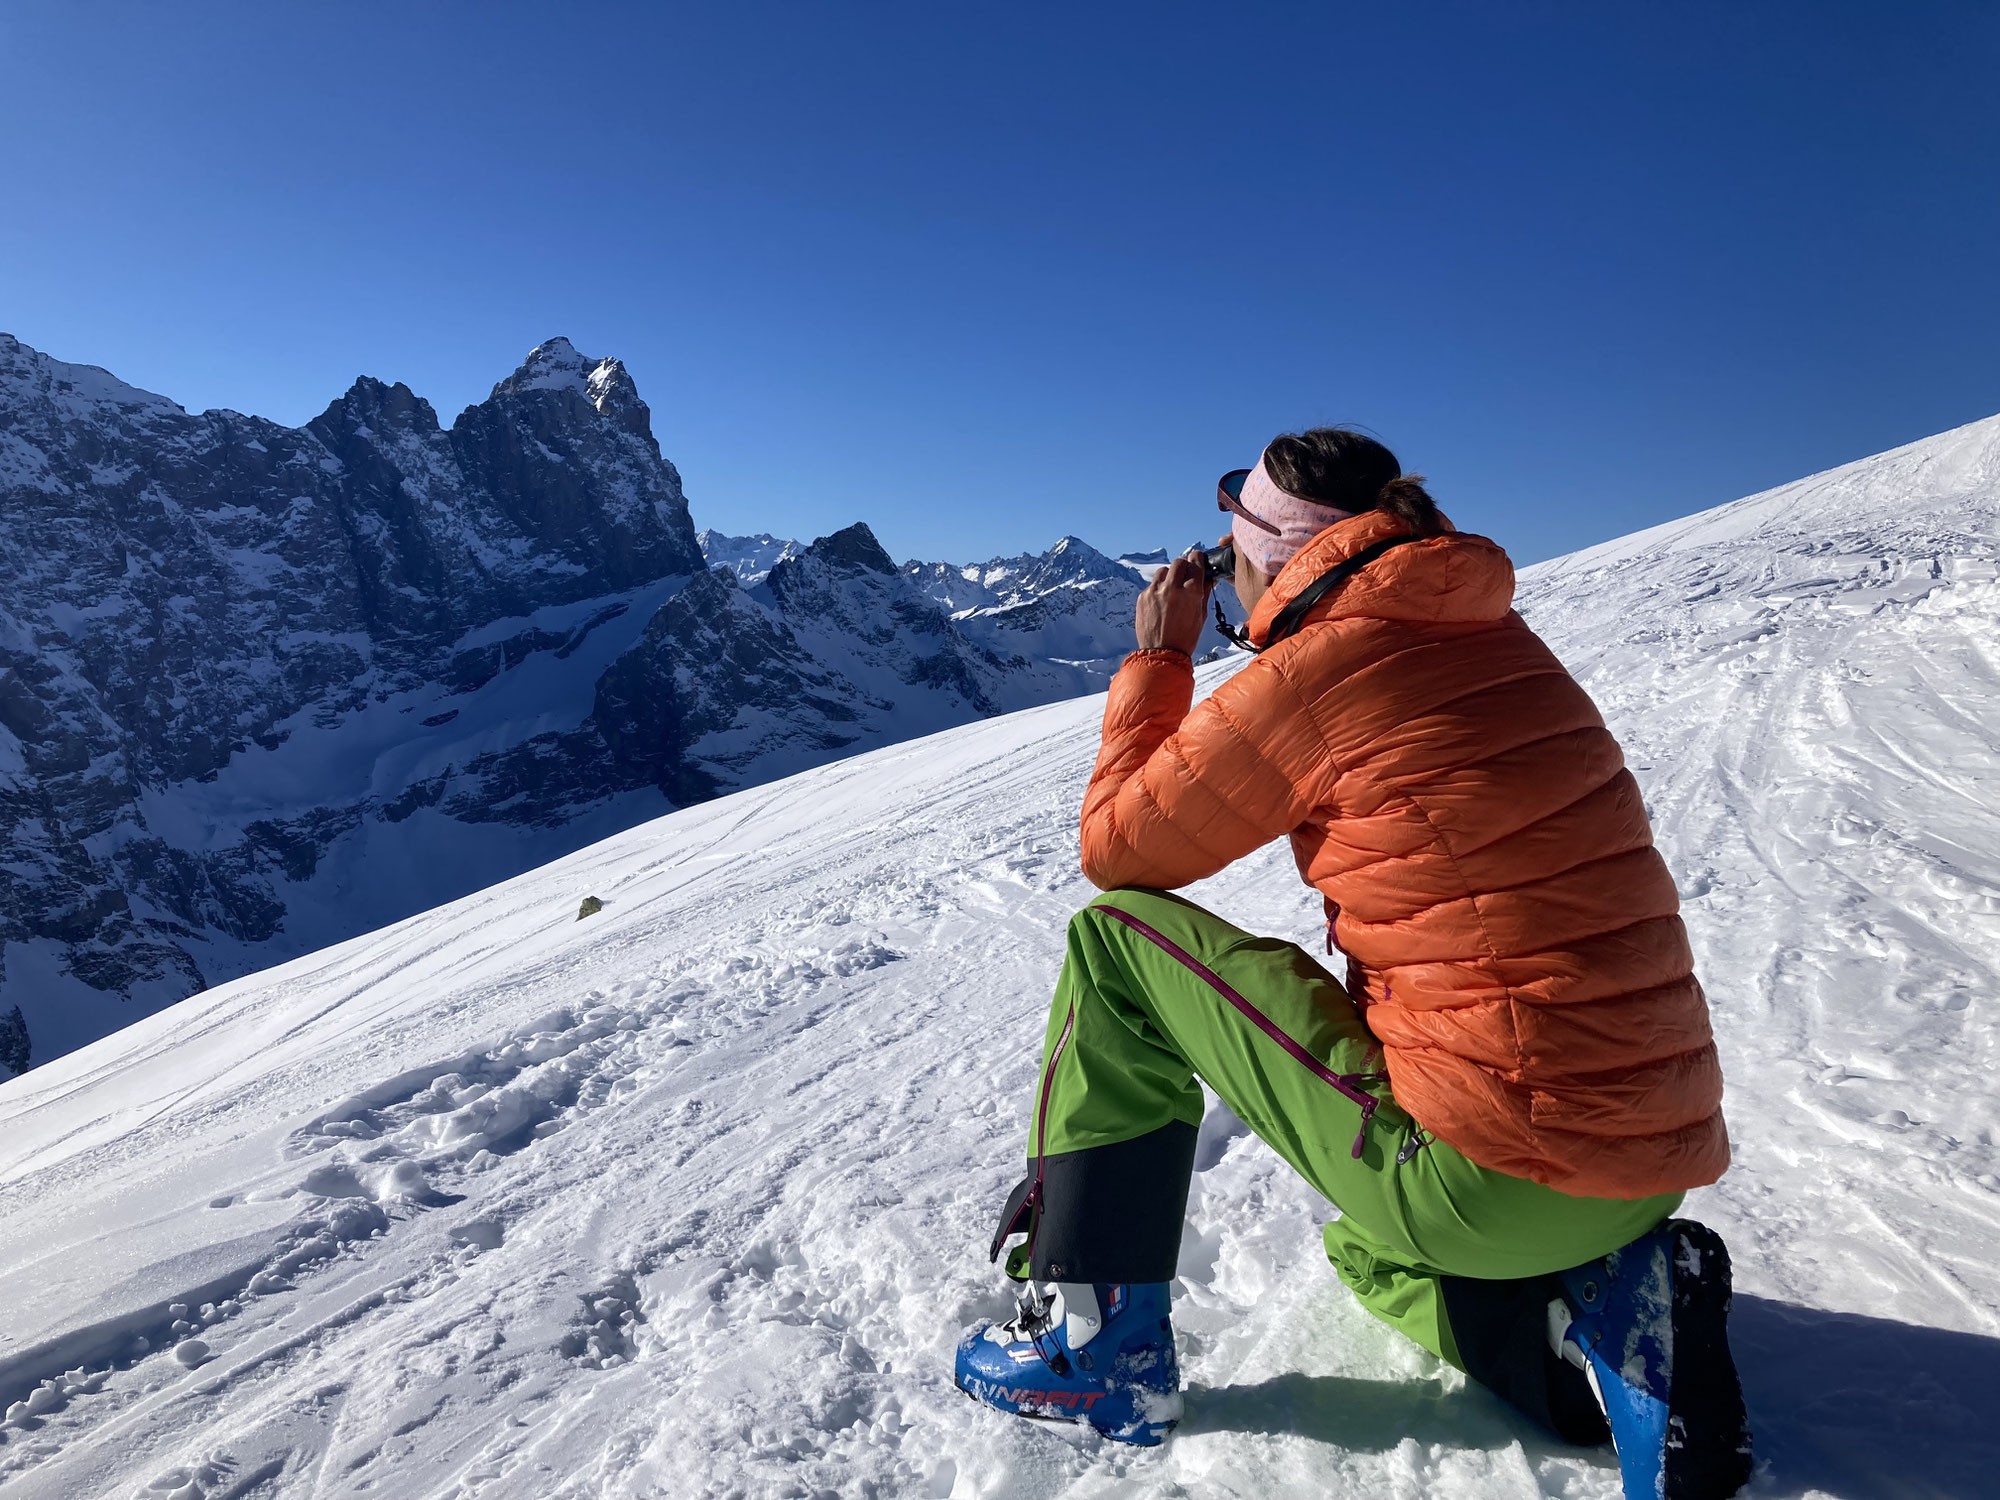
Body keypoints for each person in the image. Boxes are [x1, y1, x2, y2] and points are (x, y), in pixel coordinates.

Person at [954, 429, 1750, 1500]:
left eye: (1232, 541)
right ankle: (1590, 1345)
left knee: (1114, 944)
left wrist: (1160, 655)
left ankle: (1097, 1353)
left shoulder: (1324, 664)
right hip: (1646, 1160)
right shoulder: (1493, 634)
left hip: (1490, 1176)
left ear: (1278, 556)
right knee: (1367, 1255)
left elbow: (1116, 853)